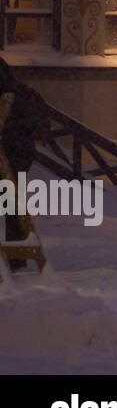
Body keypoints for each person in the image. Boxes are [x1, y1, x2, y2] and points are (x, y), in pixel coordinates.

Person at [0, 58, 46, 269]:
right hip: (18, 154)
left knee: (12, 208)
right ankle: (16, 259)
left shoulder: (16, 96)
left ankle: (16, 258)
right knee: (12, 209)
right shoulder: (24, 93)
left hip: (13, 154)